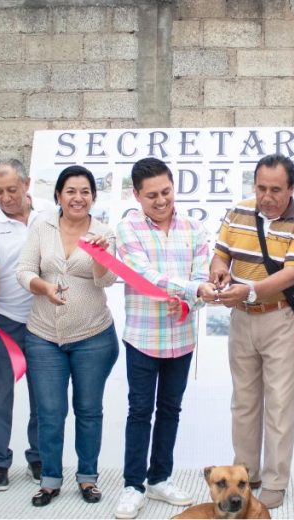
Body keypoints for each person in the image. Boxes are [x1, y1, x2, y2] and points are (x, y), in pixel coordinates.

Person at [209, 154, 294, 510]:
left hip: (280, 318)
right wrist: (219, 273)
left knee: (280, 403)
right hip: (241, 318)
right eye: (260, 188)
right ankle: (246, 476)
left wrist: (252, 290)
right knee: (243, 401)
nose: (267, 196)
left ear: (291, 188)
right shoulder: (238, 212)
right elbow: (221, 254)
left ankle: (275, 480)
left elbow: (292, 272)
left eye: (275, 189)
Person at [112, 158, 216, 519]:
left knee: (171, 410)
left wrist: (190, 303)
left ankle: (160, 478)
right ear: (137, 195)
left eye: (167, 192)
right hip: (142, 336)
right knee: (140, 411)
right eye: (152, 195)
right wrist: (190, 289)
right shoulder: (127, 230)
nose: (161, 201)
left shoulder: (195, 228)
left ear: (174, 187)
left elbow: (204, 278)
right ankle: (132, 486)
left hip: (182, 337)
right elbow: (143, 274)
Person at [16, 165, 119, 507]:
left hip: (93, 336)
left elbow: (105, 282)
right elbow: (24, 270)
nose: (78, 197)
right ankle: (49, 479)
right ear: (58, 195)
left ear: (93, 197)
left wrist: (101, 257)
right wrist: (43, 287)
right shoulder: (42, 227)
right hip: (44, 336)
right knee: (49, 412)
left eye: (85, 191)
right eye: (71, 191)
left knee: (89, 410)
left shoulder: (104, 233)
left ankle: (88, 478)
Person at [0, 159, 47, 490]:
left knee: (44, 394)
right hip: (4, 320)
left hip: (44, 319)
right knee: (0, 393)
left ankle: (41, 458)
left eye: (12, 190)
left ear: (27, 184)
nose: (5, 198)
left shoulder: (50, 214)